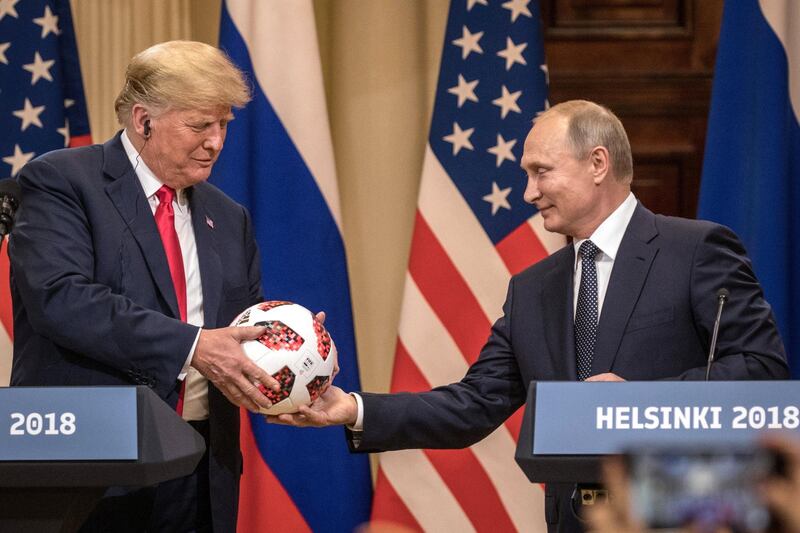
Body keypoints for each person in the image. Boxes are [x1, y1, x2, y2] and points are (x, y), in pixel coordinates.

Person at [271, 100, 789, 533]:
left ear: (598, 163)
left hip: (684, 516)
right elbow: (474, 404)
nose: (528, 192)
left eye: (541, 171)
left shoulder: (695, 250)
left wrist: (636, 403)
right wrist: (353, 410)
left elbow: (763, 372)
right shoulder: (533, 288)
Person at [10, 40, 279, 532]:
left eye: (223, 125)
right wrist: (194, 347)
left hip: (201, 468)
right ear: (143, 119)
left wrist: (288, 348)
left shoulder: (227, 215)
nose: (216, 142)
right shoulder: (62, 181)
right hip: (92, 463)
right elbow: (62, 299)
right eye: (200, 125)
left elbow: (242, 324)